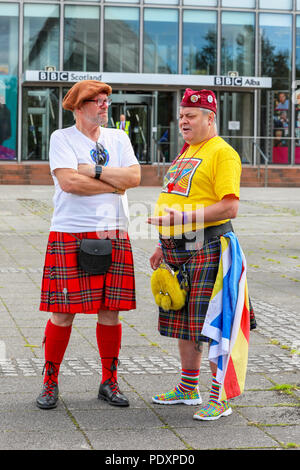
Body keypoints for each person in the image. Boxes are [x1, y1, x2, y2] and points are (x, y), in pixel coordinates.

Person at [147, 88, 256, 421]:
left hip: (209, 246)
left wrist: (180, 221)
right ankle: (187, 388)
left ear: (210, 118)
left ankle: (219, 396)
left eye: (190, 116)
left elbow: (229, 206)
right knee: (184, 320)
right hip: (179, 248)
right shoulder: (187, 152)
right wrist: (162, 242)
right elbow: (178, 196)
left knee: (212, 324)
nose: (183, 121)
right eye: (181, 116)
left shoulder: (222, 153)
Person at [36, 80, 141, 410]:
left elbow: (135, 178)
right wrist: (113, 184)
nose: (104, 105)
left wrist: (92, 171)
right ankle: (50, 382)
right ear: (79, 108)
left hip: (113, 231)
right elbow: (69, 183)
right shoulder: (62, 138)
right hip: (71, 231)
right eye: (97, 101)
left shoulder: (119, 138)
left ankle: (109, 381)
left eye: (106, 100)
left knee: (110, 311)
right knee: (63, 312)